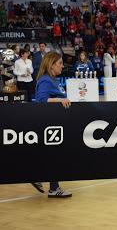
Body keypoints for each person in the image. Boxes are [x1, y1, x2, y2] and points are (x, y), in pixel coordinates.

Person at [33, 51, 72, 198]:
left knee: (52, 155)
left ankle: (51, 186)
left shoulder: (52, 79)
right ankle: (50, 185)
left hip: (54, 123)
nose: (62, 66)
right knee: (53, 155)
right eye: (60, 63)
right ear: (51, 65)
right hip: (48, 125)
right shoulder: (45, 80)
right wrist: (59, 100)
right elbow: (41, 100)